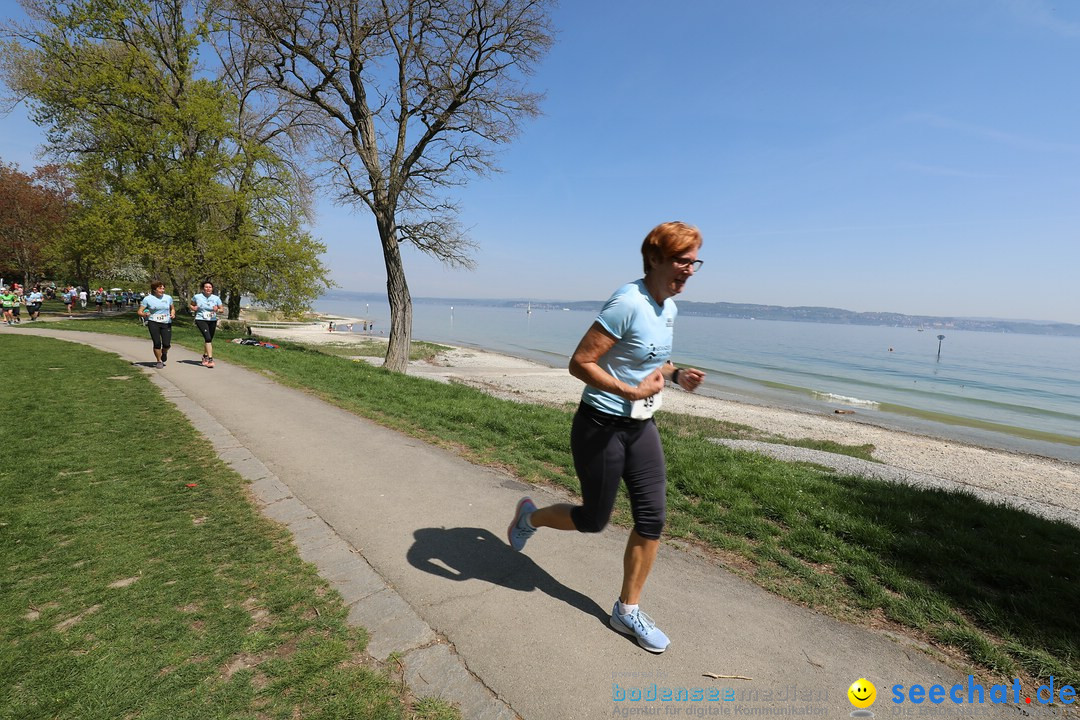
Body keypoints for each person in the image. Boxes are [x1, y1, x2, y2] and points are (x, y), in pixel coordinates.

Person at [506, 221, 706, 654]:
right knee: (594, 520)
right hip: (600, 426)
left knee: (652, 518)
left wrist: (677, 373)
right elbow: (580, 363)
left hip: (641, 427)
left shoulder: (668, 306)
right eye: (681, 260)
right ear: (654, 258)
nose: (690, 269)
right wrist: (630, 390)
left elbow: (657, 358)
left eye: (694, 261)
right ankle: (529, 518)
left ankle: (627, 610)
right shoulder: (626, 302)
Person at [137, 281, 176, 368]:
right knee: (157, 342)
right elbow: (139, 311)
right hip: (153, 322)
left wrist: (173, 314)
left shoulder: (168, 298)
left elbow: (172, 308)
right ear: (155, 290)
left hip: (166, 322)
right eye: (160, 288)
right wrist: (144, 314)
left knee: (166, 344)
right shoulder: (147, 299)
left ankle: (164, 352)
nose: (162, 290)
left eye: (163, 288)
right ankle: (159, 361)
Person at [189, 281, 224, 368]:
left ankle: (204, 356)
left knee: (209, 339)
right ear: (203, 288)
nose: (208, 289)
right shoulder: (197, 297)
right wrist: (194, 308)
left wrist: (217, 310)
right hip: (201, 319)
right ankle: (210, 359)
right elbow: (191, 305)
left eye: (210, 287)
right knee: (208, 338)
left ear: (212, 289)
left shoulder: (216, 298)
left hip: (212, 320)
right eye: (206, 287)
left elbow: (222, 310)